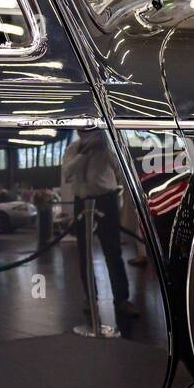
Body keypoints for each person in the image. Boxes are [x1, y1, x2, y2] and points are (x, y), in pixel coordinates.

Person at [62, 131, 137, 319]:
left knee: (113, 252)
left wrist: (108, 147)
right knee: (84, 253)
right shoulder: (73, 148)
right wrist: (84, 153)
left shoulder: (107, 147)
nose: (86, 133)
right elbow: (67, 173)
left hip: (106, 200)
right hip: (82, 202)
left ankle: (121, 300)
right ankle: (90, 298)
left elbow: (120, 170)